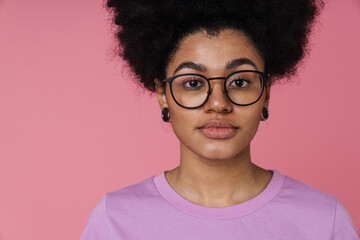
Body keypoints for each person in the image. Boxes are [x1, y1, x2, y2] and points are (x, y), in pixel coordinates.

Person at [80, 0, 359, 239]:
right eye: (192, 83)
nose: (218, 104)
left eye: (239, 82)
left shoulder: (324, 221)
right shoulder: (114, 220)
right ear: (163, 93)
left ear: (266, 92)